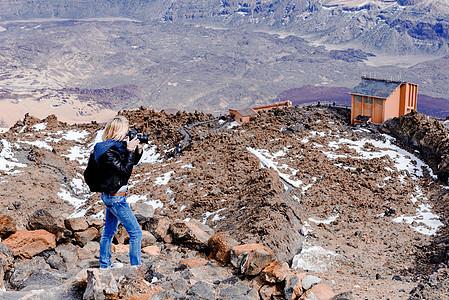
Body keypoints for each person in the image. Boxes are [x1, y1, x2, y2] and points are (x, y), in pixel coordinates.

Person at [94, 115, 144, 270]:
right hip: (116, 198)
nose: (127, 134)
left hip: (112, 196)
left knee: (109, 232)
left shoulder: (114, 147)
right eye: (124, 131)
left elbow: (131, 161)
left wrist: (138, 149)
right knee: (136, 233)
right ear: (116, 131)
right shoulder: (106, 152)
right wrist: (129, 149)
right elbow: (124, 171)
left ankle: (105, 265)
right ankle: (136, 269)